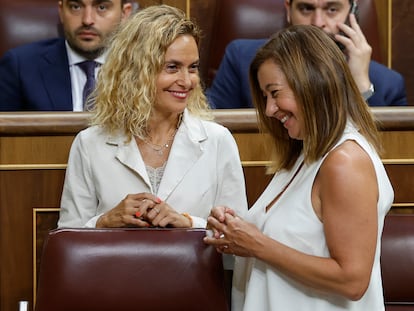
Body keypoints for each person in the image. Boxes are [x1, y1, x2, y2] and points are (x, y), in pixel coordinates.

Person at [204, 25, 394, 310]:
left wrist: (256, 244)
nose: (269, 109)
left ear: (313, 83)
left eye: (275, 93)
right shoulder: (304, 154)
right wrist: (234, 230)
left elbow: (352, 281)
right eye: (265, 97)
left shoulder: (345, 161)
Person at [58, 4, 248, 229]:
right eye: (172, 67)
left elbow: (239, 242)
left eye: (193, 67)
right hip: (117, 265)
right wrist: (104, 221)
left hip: (191, 265)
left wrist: (188, 223)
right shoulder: (89, 144)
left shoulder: (218, 140)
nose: (187, 81)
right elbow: (68, 240)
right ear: (137, 71)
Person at [206, 0, 407, 108]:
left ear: (352, 12)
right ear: (288, 9)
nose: (318, 21)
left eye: (332, 9)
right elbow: (212, 125)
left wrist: (362, 86)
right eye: (305, 8)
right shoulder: (241, 58)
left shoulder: (388, 84)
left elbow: (388, 154)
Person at [0, 0, 133, 111]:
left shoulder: (142, 68)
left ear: (124, 14)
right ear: (61, 11)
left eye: (102, 7)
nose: (87, 20)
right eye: (76, 7)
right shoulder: (20, 66)